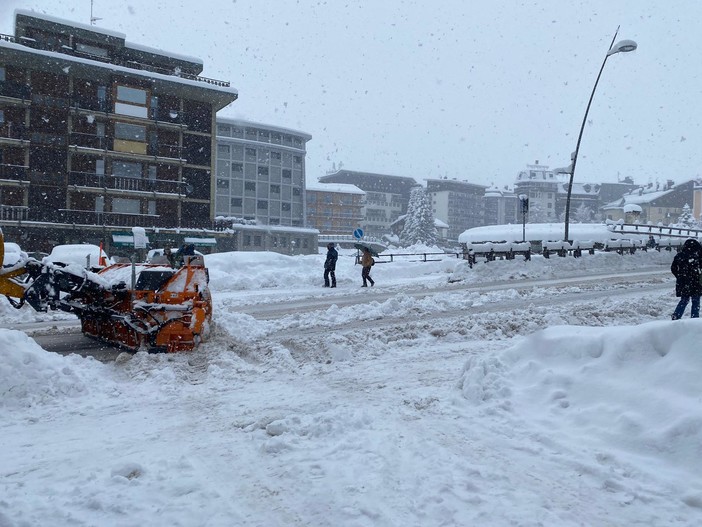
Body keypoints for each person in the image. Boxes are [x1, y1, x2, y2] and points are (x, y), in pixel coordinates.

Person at [670, 238, 702, 320]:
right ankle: (694, 318)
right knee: (696, 301)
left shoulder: (679, 255)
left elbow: (673, 268)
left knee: (684, 299)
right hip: (695, 281)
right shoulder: (698, 256)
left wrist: (679, 276)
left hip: (683, 282)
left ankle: (676, 315)